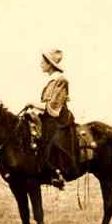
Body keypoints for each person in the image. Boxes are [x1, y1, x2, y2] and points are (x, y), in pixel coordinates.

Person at [28, 49, 75, 190]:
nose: (40, 64)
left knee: (46, 140)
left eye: (43, 62)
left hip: (59, 119)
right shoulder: (51, 81)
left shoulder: (61, 80)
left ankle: (56, 173)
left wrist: (33, 104)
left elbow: (54, 107)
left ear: (50, 64)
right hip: (49, 118)